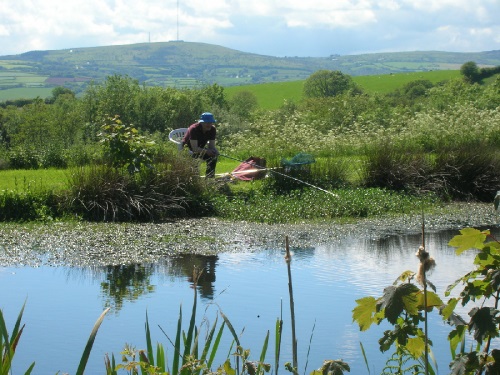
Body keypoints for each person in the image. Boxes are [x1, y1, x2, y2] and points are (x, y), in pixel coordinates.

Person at [182, 112, 219, 178]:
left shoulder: (212, 129)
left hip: (200, 149)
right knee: (194, 157)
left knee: (213, 157)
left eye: (211, 122)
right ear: (201, 122)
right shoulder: (193, 129)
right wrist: (207, 151)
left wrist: (214, 151)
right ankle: (195, 179)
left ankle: (209, 178)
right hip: (187, 150)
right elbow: (194, 149)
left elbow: (211, 146)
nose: (209, 124)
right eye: (207, 123)